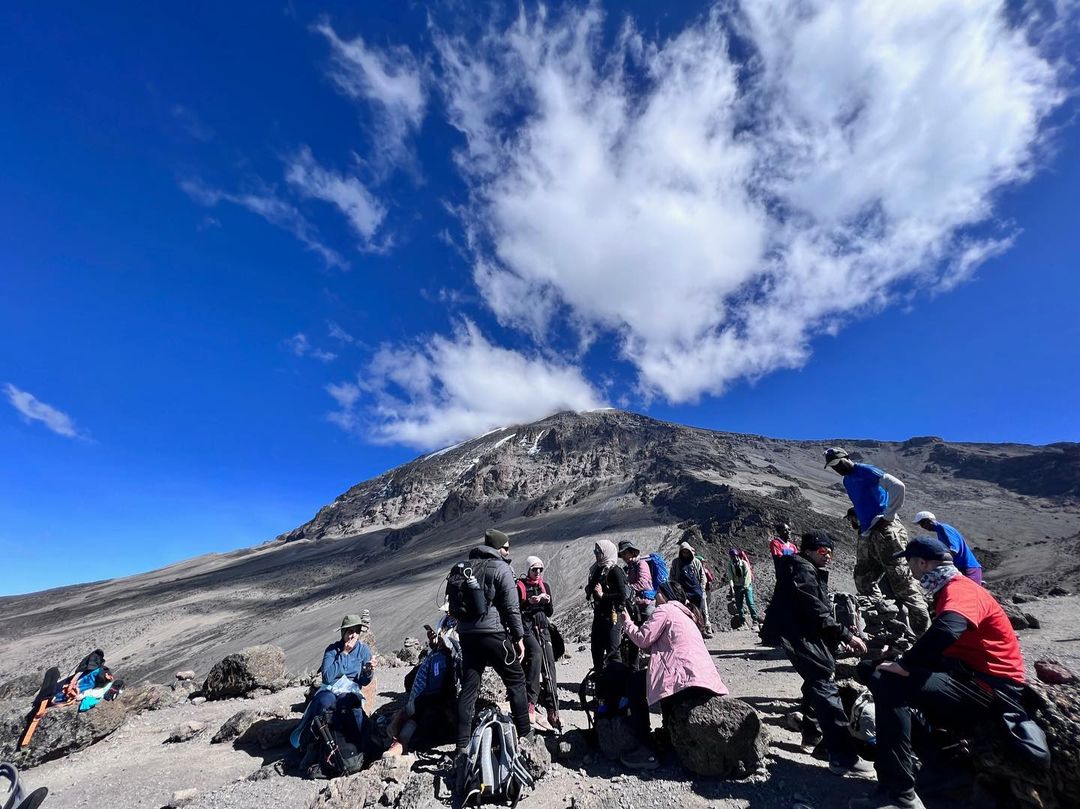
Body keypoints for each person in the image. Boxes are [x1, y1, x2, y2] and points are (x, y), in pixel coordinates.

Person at [850, 537, 1027, 809]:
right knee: (871, 670)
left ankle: (898, 793)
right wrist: (900, 657)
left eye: (910, 563)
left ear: (923, 563)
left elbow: (948, 629)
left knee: (889, 681)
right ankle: (936, 765)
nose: (910, 570)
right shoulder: (950, 589)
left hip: (992, 690)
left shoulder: (960, 590)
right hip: (971, 678)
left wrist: (905, 664)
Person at [770, 531, 875, 779]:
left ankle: (816, 738)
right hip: (802, 638)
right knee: (824, 687)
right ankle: (843, 758)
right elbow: (816, 611)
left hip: (803, 636)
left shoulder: (801, 567)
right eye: (823, 552)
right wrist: (846, 636)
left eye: (830, 553)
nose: (828, 557)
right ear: (810, 550)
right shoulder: (803, 571)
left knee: (815, 682)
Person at [619, 580, 729, 768]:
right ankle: (670, 735)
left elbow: (643, 639)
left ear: (666, 594)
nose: (655, 596)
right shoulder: (687, 615)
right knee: (663, 676)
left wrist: (626, 622)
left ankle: (644, 747)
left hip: (683, 677)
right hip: (704, 678)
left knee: (635, 684)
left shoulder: (665, 610)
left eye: (658, 592)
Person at [825, 448, 930, 635]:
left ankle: (924, 635)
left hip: (885, 529)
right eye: (833, 466)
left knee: (901, 582)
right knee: (863, 578)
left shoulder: (866, 471)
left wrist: (888, 515)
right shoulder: (847, 480)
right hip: (867, 532)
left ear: (847, 458)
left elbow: (897, 486)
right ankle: (883, 624)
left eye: (839, 463)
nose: (837, 468)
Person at [454, 529, 531, 755]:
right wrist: (519, 637)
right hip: (493, 633)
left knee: (469, 688)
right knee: (516, 678)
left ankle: (461, 745)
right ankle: (525, 734)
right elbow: (510, 608)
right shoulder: (501, 568)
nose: (508, 552)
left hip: (467, 635)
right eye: (506, 548)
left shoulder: (467, 567)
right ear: (498, 548)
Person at [291, 615, 376, 775]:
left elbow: (364, 681)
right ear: (343, 632)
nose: (353, 635)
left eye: (356, 631)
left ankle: (357, 748)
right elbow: (328, 677)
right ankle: (312, 743)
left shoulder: (363, 650)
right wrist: (344, 654)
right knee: (324, 701)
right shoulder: (332, 650)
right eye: (350, 631)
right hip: (330, 688)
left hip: (350, 689)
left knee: (349, 702)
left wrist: (369, 670)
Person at [386, 619, 459, 756]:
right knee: (416, 714)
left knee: (415, 713)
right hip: (426, 697)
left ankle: (400, 741)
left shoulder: (438, 655)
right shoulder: (439, 655)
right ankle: (401, 741)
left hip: (426, 697)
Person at [517, 555, 558, 731]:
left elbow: (549, 612)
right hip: (526, 627)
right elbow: (516, 608)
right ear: (528, 569)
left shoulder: (544, 586)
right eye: (535, 569)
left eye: (540, 569)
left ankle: (553, 708)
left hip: (542, 626)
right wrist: (528, 602)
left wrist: (545, 601)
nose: (538, 572)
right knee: (536, 656)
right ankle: (531, 702)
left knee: (549, 664)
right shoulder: (520, 587)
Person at [586, 539, 633, 671]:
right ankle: (600, 681)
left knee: (613, 651)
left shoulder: (615, 570)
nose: (596, 554)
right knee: (596, 649)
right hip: (599, 615)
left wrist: (603, 596)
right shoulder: (598, 569)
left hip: (612, 616)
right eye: (595, 551)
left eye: (598, 551)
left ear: (606, 552)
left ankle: (616, 684)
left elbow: (622, 594)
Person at [912, 511, 983, 584]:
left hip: (968, 567)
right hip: (961, 568)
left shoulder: (944, 528)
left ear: (928, 521)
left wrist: (937, 560)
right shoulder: (940, 532)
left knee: (970, 592)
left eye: (922, 523)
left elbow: (954, 550)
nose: (922, 527)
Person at [670, 541, 711, 637]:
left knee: (699, 611)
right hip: (682, 592)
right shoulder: (676, 562)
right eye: (683, 552)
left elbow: (702, 576)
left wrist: (702, 588)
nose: (685, 554)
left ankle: (701, 631)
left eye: (687, 552)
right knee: (684, 612)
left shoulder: (696, 562)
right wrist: (675, 589)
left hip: (696, 591)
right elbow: (672, 576)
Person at [618, 540, 655, 621]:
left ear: (632, 552)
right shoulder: (630, 567)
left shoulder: (641, 564)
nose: (623, 557)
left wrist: (628, 589)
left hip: (647, 603)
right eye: (622, 555)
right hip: (638, 604)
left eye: (625, 553)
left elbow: (643, 583)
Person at [727, 548, 759, 627]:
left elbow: (747, 575)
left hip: (747, 585)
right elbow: (730, 577)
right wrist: (731, 587)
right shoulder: (730, 565)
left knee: (750, 602)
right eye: (732, 556)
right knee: (739, 605)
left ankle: (755, 620)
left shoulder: (744, 563)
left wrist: (745, 586)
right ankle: (742, 622)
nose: (734, 558)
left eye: (735, 556)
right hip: (737, 586)